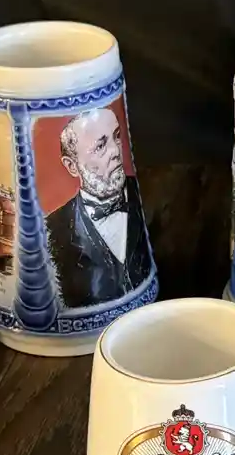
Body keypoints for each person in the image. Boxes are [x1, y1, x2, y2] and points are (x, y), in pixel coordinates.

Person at [44, 107, 153, 308]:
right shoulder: (52, 229)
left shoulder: (151, 193)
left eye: (117, 137)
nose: (116, 152)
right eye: (100, 146)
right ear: (72, 166)